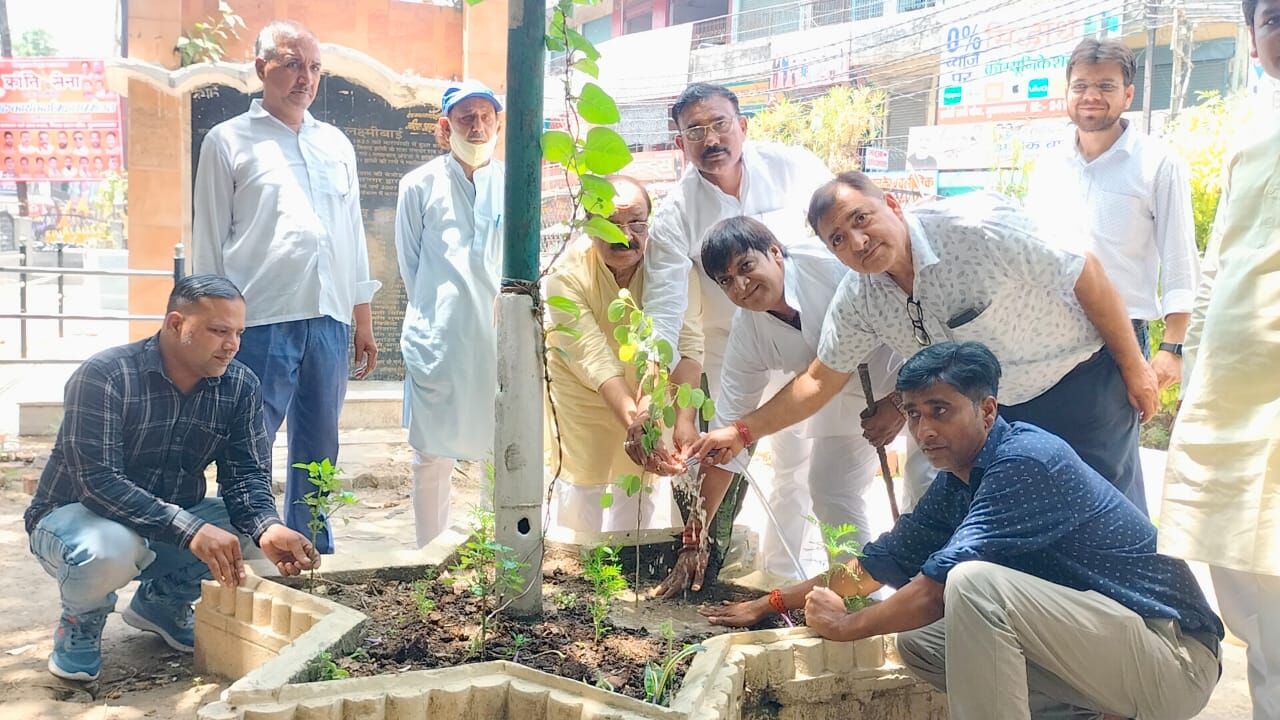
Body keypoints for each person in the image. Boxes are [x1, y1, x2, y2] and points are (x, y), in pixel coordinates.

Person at [703, 342, 1222, 720]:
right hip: (1112, 653)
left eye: (941, 411)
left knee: (971, 584)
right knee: (922, 645)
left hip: (1174, 659)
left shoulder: (1027, 463)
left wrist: (845, 628)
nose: (925, 430)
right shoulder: (961, 478)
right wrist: (771, 602)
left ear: (988, 409)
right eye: (913, 414)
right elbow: (878, 564)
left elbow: (932, 591)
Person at [692, 172, 1156, 513]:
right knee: (1028, 523)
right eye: (839, 238)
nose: (858, 241)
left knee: (1110, 514)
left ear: (892, 205)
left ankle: (1162, 635)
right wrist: (741, 431)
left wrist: (1134, 366)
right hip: (1001, 408)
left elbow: (1085, 271)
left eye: (862, 219)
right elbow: (819, 380)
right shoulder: (862, 297)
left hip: (1081, 377)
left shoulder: (972, 230)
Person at [24, 275, 319, 683]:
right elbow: (97, 482)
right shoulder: (106, 375)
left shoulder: (239, 386)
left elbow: (246, 473)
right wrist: (191, 529)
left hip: (168, 518)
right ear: (176, 323)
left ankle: (161, 604)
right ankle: (80, 623)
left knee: (251, 535)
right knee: (108, 548)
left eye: (238, 333)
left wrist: (268, 526)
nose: (232, 344)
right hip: (75, 519)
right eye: (219, 331)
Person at [192, 20, 380, 553]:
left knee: (320, 443)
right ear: (261, 69)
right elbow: (207, 240)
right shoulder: (228, 141)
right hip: (260, 318)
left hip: (328, 317)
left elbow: (352, 235)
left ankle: (312, 546)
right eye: (293, 64)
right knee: (248, 440)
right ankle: (243, 547)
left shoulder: (336, 143)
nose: (306, 77)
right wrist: (212, 325)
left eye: (315, 67)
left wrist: (360, 317)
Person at [640, 82, 837, 576]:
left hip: (816, 339)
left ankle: (785, 574)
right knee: (722, 447)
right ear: (680, 142)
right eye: (695, 131)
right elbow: (664, 308)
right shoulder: (675, 214)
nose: (711, 139)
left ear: (742, 125)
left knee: (800, 462)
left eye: (720, 124)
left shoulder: (796, 168)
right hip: (732, 350)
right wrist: (651, 393)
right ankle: (695, 544)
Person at [655, 217, 902, 594]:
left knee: (927, 485)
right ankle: (864, 602)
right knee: (829, 489)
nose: (740, 285)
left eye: (746, 267)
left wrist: (901, 401)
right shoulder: (747, 333)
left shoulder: (833, 266)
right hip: (843, 403)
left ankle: (934, 606)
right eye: (725, 281)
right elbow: (728, 442)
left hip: (911, 380)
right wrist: (695, 536)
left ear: (775, 252)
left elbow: (912, 317)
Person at [1160, 3, 1280, 717]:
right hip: (1232, 387)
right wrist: (1191, 364)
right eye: (1269, 15)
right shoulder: (1254, 129)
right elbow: (1220, 262)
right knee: (1247, 581)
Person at [1026, 38, 1198, 385]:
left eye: (1106, 86)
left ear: (1128, 95)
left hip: (1118, 342)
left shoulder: (1158, 163)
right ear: (1068, 93)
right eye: (1081, 85)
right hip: (1044, 332)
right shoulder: (1048, 166)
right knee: (1043, 439)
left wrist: (1173, 347)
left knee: (1108, 440)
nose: (1091, 95)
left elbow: (1180, 258)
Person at [544, 176, 705, 532]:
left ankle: (626, 559)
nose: (626, 236)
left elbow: (689, 346)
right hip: (582, 394)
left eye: (637, 224)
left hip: (649, 391)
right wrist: (637, 421)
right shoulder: (565, 275)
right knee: (581, 488)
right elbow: (594, 358)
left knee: (635, 489)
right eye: (612, 225)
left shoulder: (671, 269)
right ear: (589, 226)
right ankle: (581, 572)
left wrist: (683, 420)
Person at [394, 79, 504, 547]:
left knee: (500, 450)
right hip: (438, 336)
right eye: (466, 118)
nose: (477, 127)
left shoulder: (513, 185)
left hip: (498, 338)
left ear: (498, 123)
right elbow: (410, 264)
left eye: (485, 117)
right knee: (431, 453)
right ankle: (427, 551)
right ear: (445, 128)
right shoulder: (418, 185)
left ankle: (491, 550)